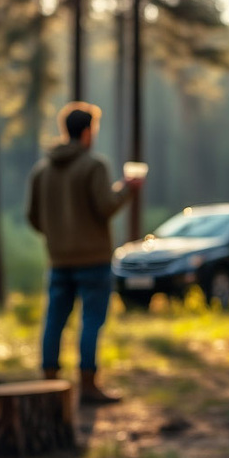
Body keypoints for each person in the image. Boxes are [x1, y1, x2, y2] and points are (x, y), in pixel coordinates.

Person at [26, 102, 141, 404]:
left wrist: (58, 235)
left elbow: (33, 217)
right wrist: (127, 189)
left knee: (54, 320)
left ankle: (48, 382)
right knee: (91, 321)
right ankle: (88, 385)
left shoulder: (42, 169)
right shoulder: (93, 165)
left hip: (58, 259)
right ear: (88, 131)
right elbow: (106, 207)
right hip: (93, 260)